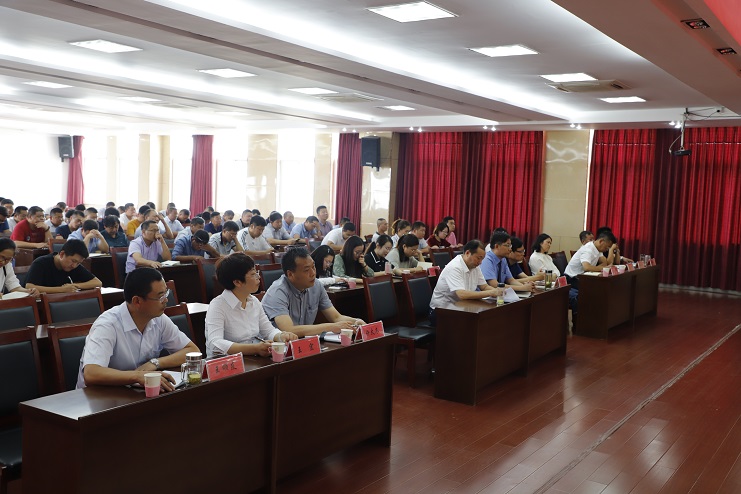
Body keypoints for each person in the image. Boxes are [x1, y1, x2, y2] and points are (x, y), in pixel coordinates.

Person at [76, 267, 199, 391]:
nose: (166, 300)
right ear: (137, 301)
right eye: (160, 297)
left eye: (166, 293)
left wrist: (155, 363)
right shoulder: (107, 325)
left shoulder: (159, 319)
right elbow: (91, 373)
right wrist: (137, 376)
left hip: (134, 393)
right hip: (97, 396)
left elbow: (192, 350)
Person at [205, 253, 298, 358]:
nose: (258, 277)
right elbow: (215, 343)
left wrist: (282, 336)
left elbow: (268, 331)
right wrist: (255, 348)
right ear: (237, 282)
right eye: (253, 274)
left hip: (252, 359)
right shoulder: (218, 306)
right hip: (228, 362)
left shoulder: (253, 301)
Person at [262, 248, 365, 337]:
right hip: (274, 347)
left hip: (304, 343)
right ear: (290, 274)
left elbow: (336, 317)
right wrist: (332, 327)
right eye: (306, 270)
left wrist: (356, 322)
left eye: (313, 267)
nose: (313, 273)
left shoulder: (316, 286)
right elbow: (289, 329)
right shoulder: (278, 292)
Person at [428, 240, 503, 325]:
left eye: (482, 259)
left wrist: (496, 291)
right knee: (477, 324)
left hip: (461, 308)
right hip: (441, 311)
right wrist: (490, 293)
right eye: (478, 258)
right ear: (467, 253)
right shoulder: (455, 267)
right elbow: (461, 294)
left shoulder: (475, 266)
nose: (480, 262)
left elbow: (484, 287)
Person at [564, 231, 618, 322]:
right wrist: (602, 268)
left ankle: (597, 319)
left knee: (603, 288)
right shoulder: (588, 249)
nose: (607, 249)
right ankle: (584, 321)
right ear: (601, 241)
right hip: (572, 279)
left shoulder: (597, 248)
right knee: (596, 291)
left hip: (583, 277)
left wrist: (602, 267)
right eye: (607, 247)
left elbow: (605, 263)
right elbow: (587, 267)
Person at [26, 239, 102, 293]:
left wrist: (75, 286)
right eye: (73, 261)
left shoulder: (74, 266)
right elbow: (29, 286)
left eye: (78, 263)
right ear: (62, 254)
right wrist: (62, 289)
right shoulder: (41, 263)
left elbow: (97, 282)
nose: (74, 266)